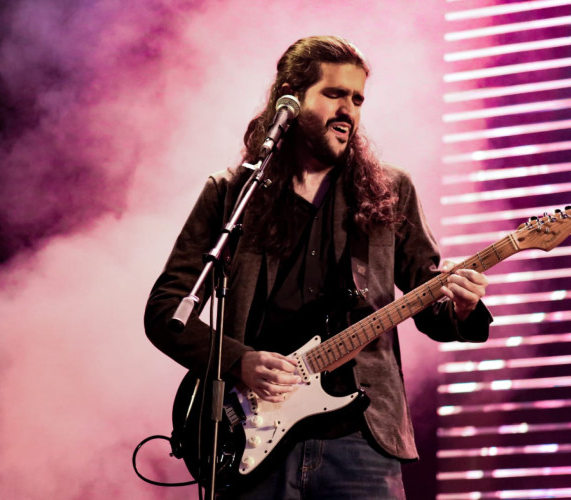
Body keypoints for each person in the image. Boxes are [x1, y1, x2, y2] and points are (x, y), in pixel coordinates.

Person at [144, 35, 492, 499]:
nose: (348, 110)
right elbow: (167, 311)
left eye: (357, 99)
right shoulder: (231, 194)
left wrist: (462, 308)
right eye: (334, 94)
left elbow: (432, 307)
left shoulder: (390, 191)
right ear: (290, 98)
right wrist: (239, 362)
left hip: (362, 439)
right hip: (252, 439)